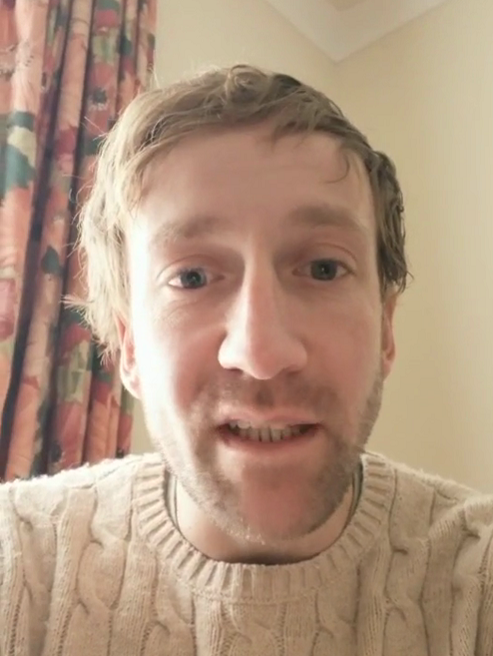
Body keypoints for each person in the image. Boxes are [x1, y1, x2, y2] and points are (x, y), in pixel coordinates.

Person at [0, 64, 492, 656]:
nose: (261, 354)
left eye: (323, 268)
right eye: (191, 277)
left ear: (386, 328)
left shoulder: (479, 577)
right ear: (129, 347)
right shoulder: (18, 560)